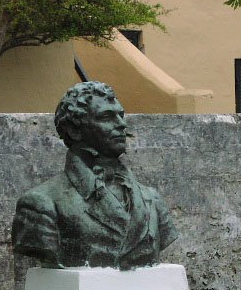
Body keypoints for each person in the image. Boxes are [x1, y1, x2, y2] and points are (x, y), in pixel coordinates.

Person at [11, 81, 178, 270]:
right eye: (107, 117)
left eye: (120, 115)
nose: (122, 125)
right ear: (74, 130)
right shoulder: (40, 204)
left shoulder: (152, 200)